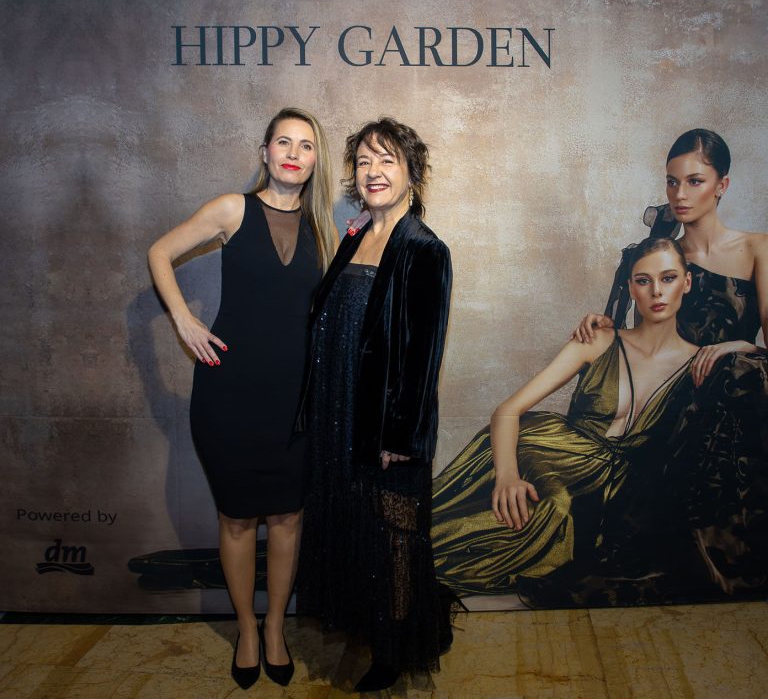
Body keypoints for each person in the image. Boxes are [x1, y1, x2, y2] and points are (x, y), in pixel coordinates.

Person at [147, 108, 337, 689]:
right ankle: (247, 630)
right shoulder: (233, 209)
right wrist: (183, 320)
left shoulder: (324, 229)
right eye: (284, 142)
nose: (293, 154)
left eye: (306, 146)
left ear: (315, 161)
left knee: (286, 518)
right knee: (235, 521)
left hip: (295, 402)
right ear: (265, 151)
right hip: (228, 397)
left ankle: (275, 627)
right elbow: (159, 252)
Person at [431, 237, 700, 601]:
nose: (656, 291)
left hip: (609, 490)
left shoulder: (703, 363)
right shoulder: (598, 340)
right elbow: (507, 410)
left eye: (668, 278)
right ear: (631, 287)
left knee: (559, 516)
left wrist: (738, 345)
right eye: (643, 280)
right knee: (529, 511)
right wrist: (507, 477)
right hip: (545, 455)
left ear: (687, 282)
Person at [573, 129, 768, 598]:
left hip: (734, 391)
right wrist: (603, 323)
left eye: (695, 181)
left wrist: (737, 346)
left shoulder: (756, 248)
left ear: (722, 185)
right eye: (672, 182)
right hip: (674, 395)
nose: (680, 194)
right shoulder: (662, 258)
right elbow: (636, 335)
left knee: (740, 375)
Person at [296, 117, 452, 692]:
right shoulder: (355, 237)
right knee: (357, 529)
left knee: (395, 539)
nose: (373, 171)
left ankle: (395, 649)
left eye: (387, 160)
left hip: (385, 429)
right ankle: (367, 627)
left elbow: (423, 355)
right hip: (340, 416)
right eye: (364, 161)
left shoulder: (425, 250)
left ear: (413, 173)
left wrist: (400, 438)